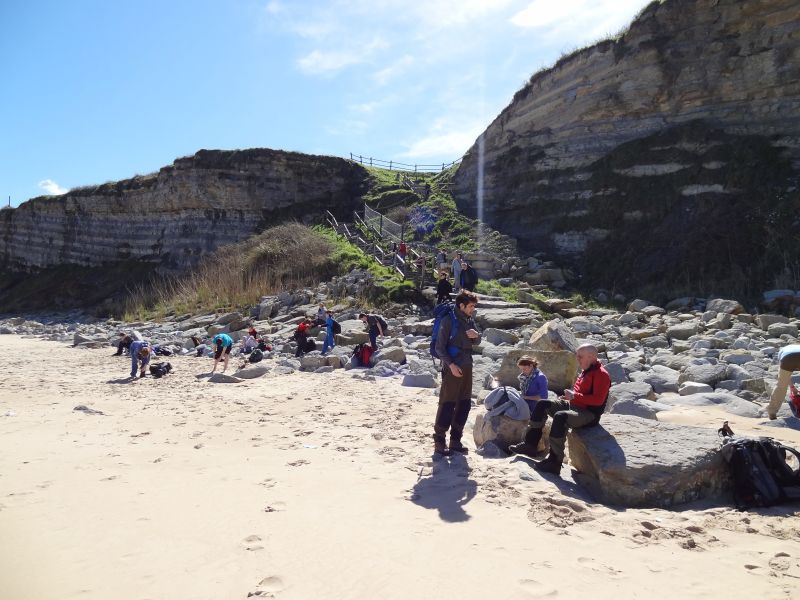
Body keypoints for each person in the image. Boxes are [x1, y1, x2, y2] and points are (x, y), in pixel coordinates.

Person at [511, 344, 610, 475]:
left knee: (560, 416)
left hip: (589, 414)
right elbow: (582, 393)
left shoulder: (601, 374)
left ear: (591, 356)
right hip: (575, 405)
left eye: (580, 357)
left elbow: (598, 400)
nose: (577, 359)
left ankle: (554, 461)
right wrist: (570, 397)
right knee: (542, 404)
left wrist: (574, 396)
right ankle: (530, 445)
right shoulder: (587, 369)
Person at [433, 290, 482, 456]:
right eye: (471, 306)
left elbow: (477, 340)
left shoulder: (469, 320)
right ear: (461, 305)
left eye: (474, 306)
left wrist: (477, 336)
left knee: (464, 404)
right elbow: (439, 348)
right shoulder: (448, 321)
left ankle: (455, 441)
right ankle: (439, 441)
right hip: (452, 367)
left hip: (467, 366)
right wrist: (451, 365)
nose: (473, 309)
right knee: (447, 404)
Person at [767, 344, 800, 419]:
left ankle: (772, 412)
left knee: (781, 386)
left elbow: (785, 377)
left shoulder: (783, 351)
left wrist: (792, 387)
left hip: (787, 359)